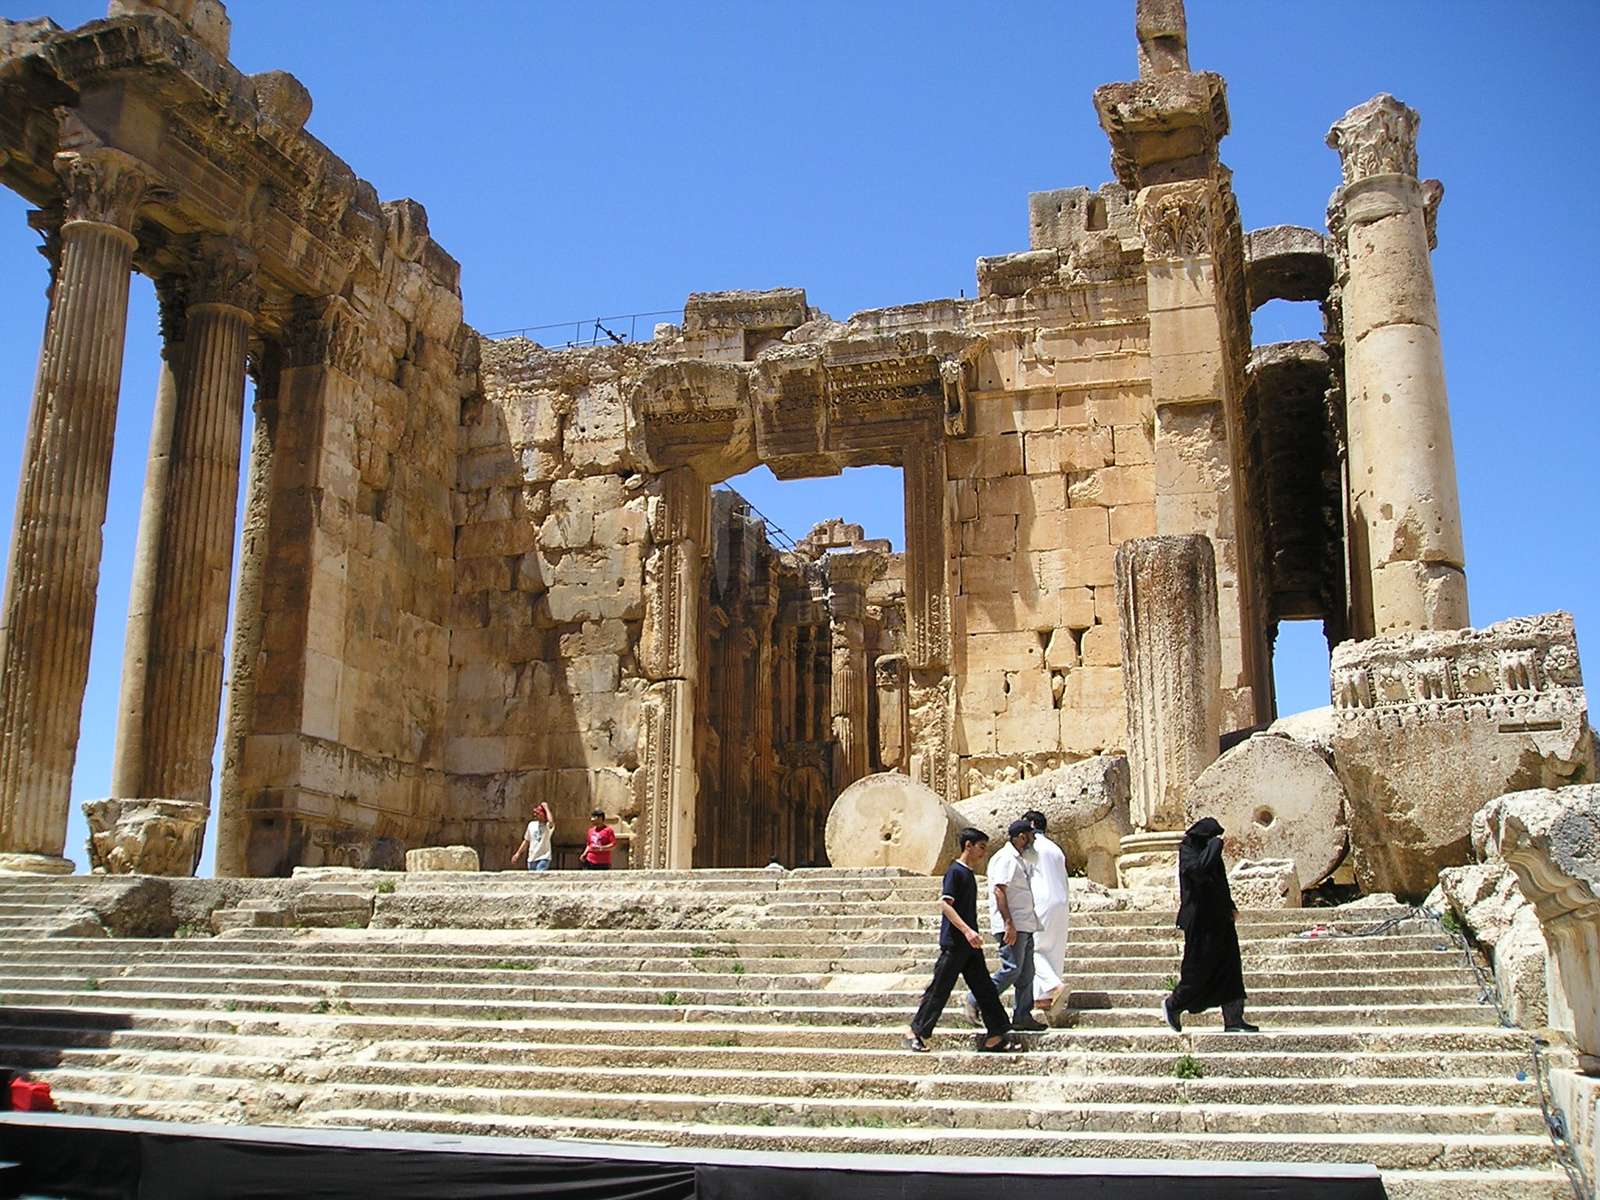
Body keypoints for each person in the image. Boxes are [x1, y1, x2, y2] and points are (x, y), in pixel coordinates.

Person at [905, 828, 1021, 1053]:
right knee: (940, 988)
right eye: (981, 847)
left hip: (970, 945)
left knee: (985, 989)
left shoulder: (969, 874)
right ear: (968, 845)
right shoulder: (955, 872)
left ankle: (996, 1035)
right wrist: (967, 931)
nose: (984, 853)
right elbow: (946, 905)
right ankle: (915, 1032)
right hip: (955, 943)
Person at [1162, 816, 1260, 1033]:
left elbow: (1219, 883)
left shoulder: (1210, 851)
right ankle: (1173, 1004)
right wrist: (1214, 846)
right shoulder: (1189, 849)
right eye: (1213, 836)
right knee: (1198, 969)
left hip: (1220, 918)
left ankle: (1234, 1020)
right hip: (1200, 921)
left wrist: (1230, 906)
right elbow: (1198, 872)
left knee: (1231, 969)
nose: (1216, 840)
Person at [967, 819, 1049, 1033]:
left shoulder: (1021, 859)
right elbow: (999, 890)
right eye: (1031, 836)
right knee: (1011, 969)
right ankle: (975, 998)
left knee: (1026, 973)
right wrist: (1008, 924)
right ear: (1022, 837)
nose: (1034, 840)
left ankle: (1022, 1015)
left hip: (1026, 923)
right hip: (1013, 925)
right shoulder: (1005, 859)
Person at [1023, 809, 1070, 1012]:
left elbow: (1024, 873)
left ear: (1032, 825)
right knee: (1054, 948)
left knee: (1032, 948)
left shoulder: (1032, 848)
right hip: (1061, 901)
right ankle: (1044, 997)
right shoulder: (1056, 848)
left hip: (1041, 901)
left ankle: (1054, 986)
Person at [511, 803, 554, 871]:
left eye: (537, 813)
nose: (535, 815)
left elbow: (551, 822)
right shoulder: (531, 825)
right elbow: (526, 841)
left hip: (543, 857)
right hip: (532, 858)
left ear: (543, 814)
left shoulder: (547, 827)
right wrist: (518, 854)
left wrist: (546, 807)